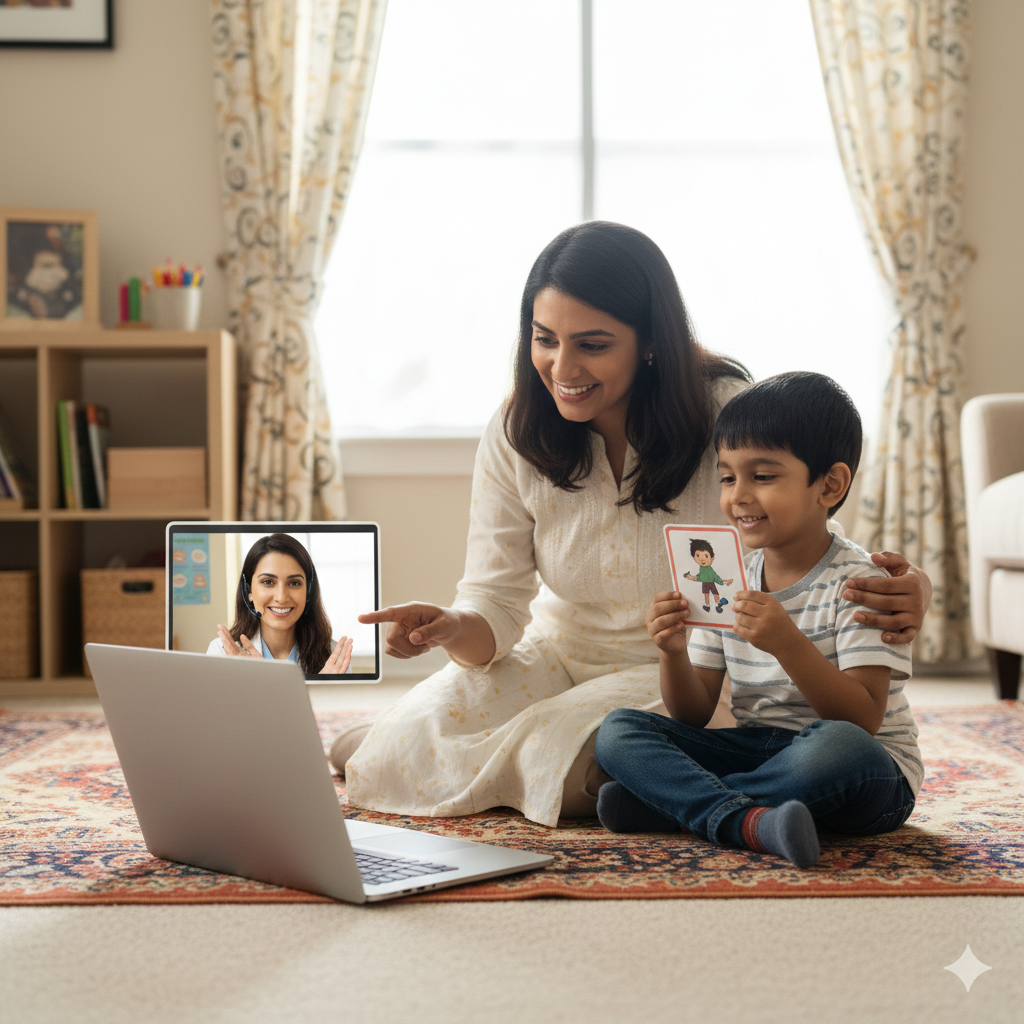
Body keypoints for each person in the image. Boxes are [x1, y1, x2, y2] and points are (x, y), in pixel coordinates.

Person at [335, 222, 931, 828]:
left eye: (592, 344)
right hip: (562, 648)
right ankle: (407, 743)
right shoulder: (517, 428)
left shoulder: (726, 411)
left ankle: (655, 792)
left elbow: (805, 536)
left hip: (685, 670)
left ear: (649, 340)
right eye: (544, 339)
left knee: (565, 764)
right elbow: (495, 600)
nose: (561, 366)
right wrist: (450, 626)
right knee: (394, 754)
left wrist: (911, 587)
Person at [593, 372, 922, 867]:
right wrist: (672, 652)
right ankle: (748, 820)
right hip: (761, 751)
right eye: (728, 477)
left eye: (762, 477)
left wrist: (787, 643)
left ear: (829, 485)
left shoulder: (863, 584)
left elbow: (862, 718)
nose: (738, 495)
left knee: (837, 748)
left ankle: (684, 808)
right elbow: (692, 712)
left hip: (866, 772)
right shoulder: (728, 579)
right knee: (617, 730)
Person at [207, 533, 353, 675]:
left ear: (308, 591)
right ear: (248, 590)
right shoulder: (221, 653)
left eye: (294, 583)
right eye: (268, 582)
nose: (281, 597)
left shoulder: (335, 659)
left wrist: (321, 690)